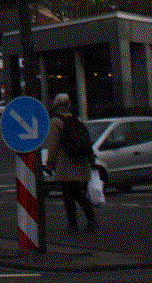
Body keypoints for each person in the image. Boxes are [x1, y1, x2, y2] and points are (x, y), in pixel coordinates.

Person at [45, 92, 97, 233]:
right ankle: (91, 219)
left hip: (65, 164)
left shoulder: (56, 122)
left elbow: (53, 145)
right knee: (78, 193)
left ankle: (73, 225)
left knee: (68, 195)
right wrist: (92, 161)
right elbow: (87, 142)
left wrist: (49, 164)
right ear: (69, 104)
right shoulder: (77, 119)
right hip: (80, 162)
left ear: (56, 105)